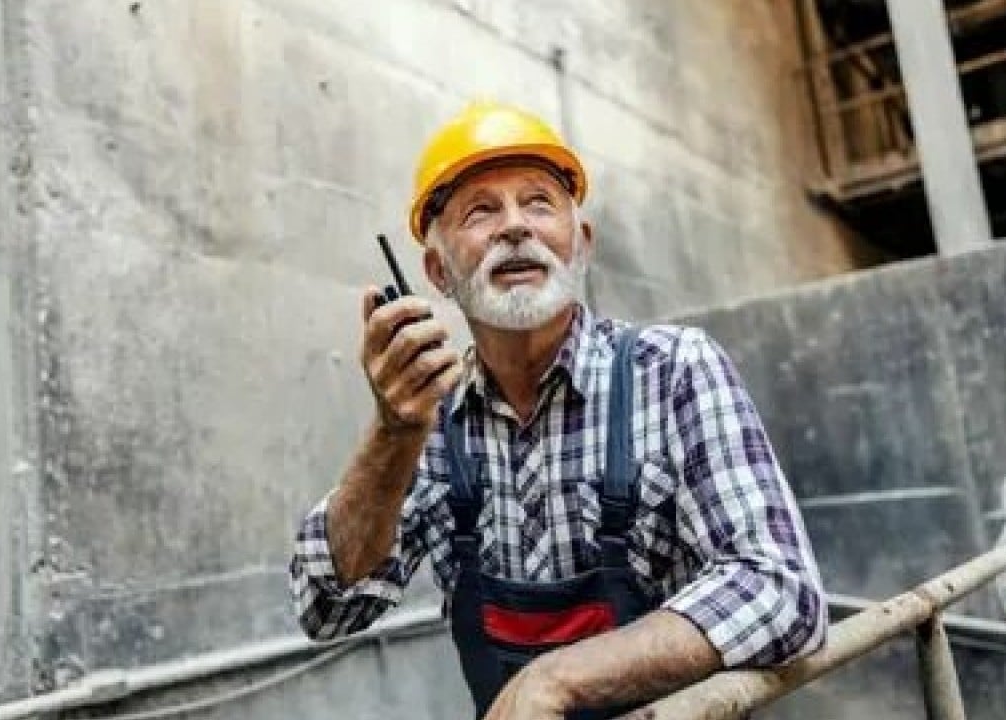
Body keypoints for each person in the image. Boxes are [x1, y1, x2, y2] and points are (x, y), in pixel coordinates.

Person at [288, 100, 827, 720]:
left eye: (539, 203)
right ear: (438, 271)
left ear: (581, 245)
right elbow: (327, 607)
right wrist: (393, 433)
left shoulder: (674, 369)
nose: (514, 227)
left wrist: (561, 679)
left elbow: (781, 590)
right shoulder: (430, 421)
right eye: (481, 211)